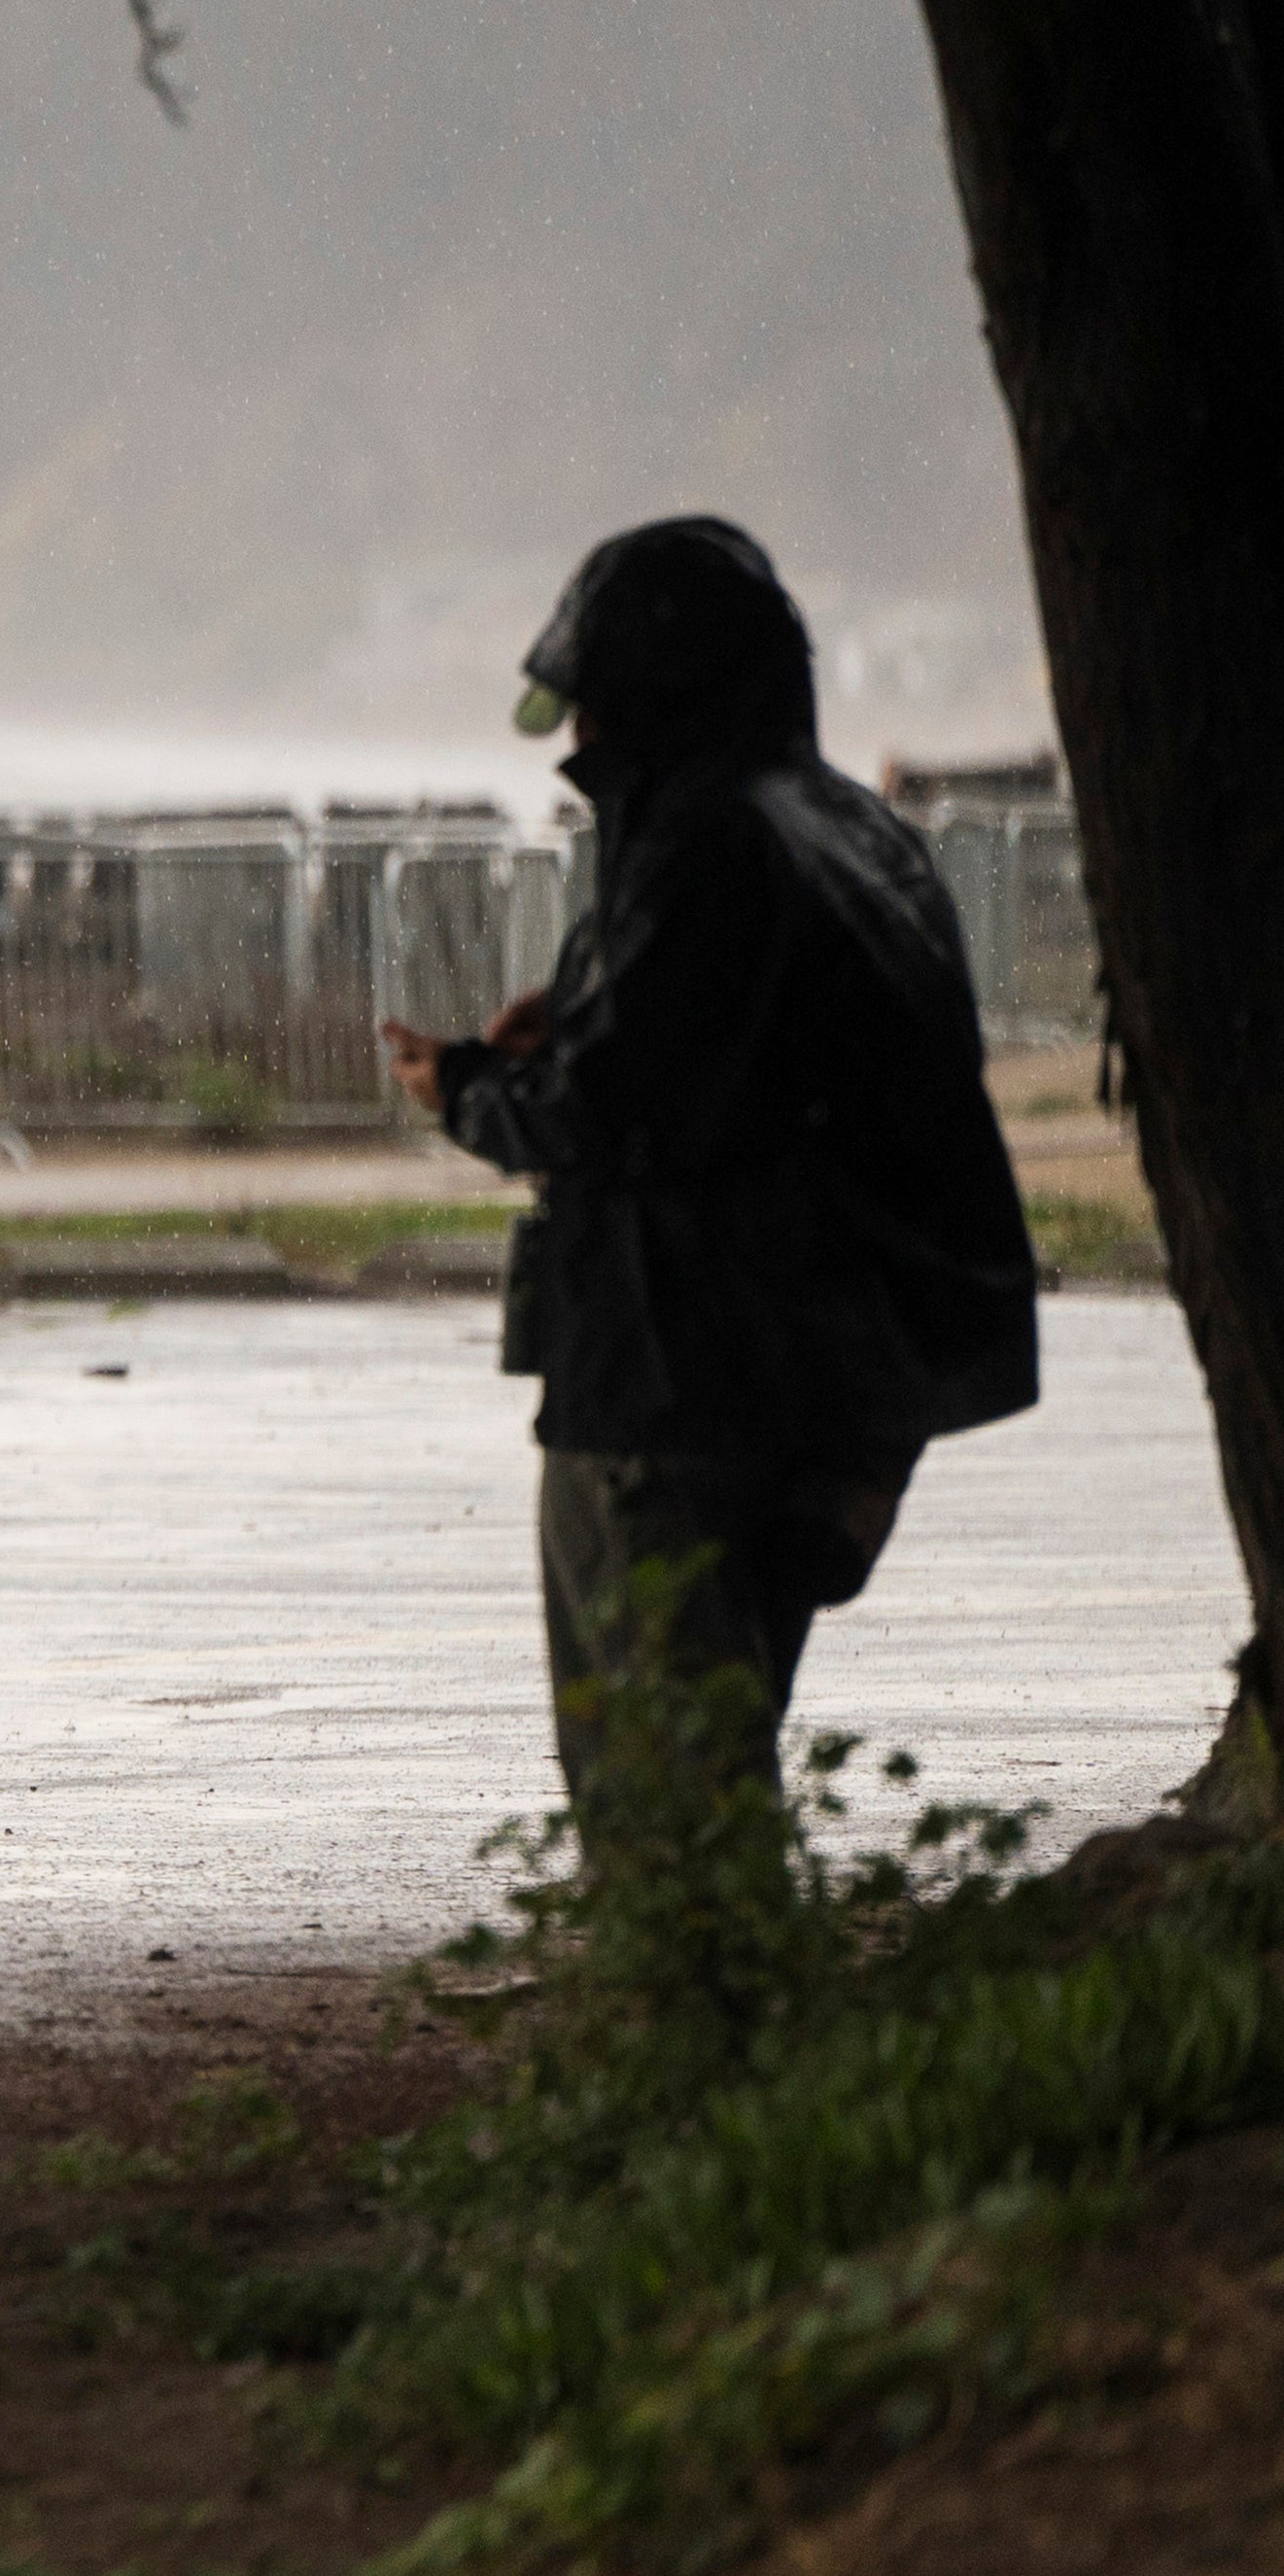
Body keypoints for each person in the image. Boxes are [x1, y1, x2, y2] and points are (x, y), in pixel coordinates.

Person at [383, 516, 1043, 1810]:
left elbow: (613, 1107)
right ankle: (723, 2003)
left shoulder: (703, 846)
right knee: (721, 1739)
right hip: (831, 1388)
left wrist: (463, 1086)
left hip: (669, 1381)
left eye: (592, 711)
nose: (577, 747)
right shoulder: (857, 835)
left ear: (642, 696)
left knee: (662, 1792)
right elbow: (770, 1064)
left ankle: (700, 2012)